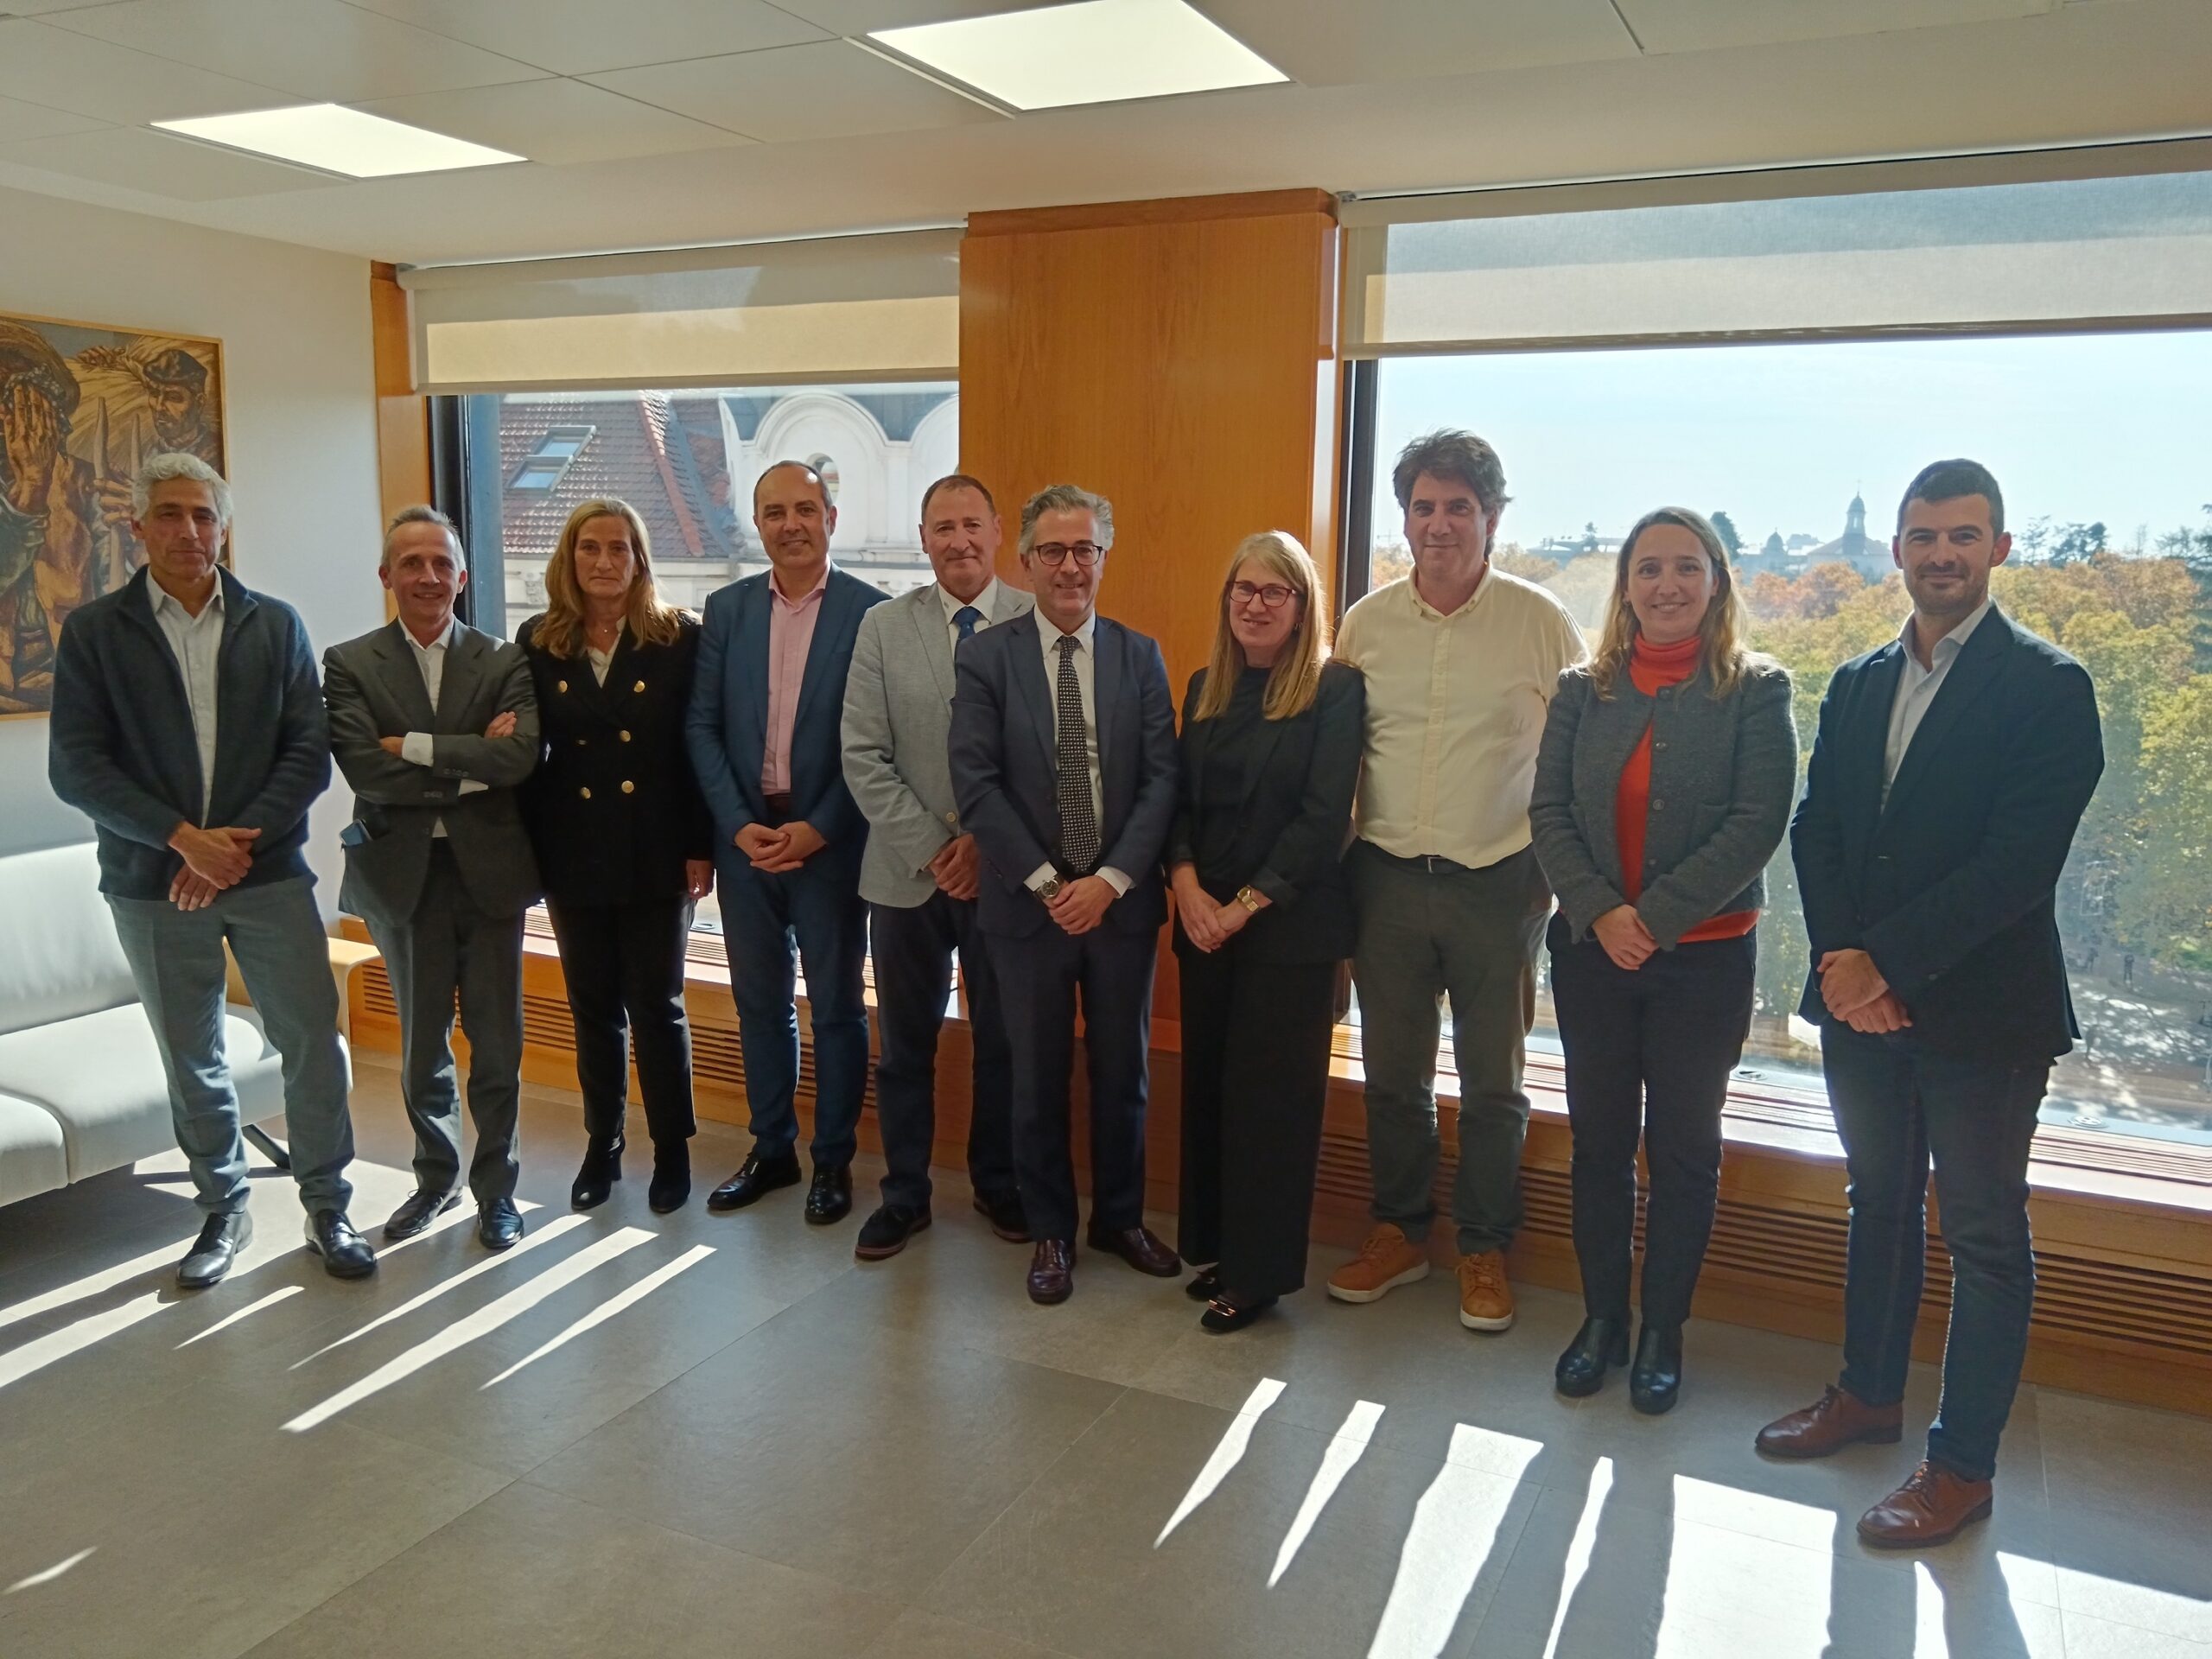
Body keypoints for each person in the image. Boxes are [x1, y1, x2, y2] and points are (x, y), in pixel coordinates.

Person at [1758, 459, 2103, 1549]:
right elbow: (1818, 828)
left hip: (1984, 1020)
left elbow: (2015, 868)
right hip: (1863, 1008)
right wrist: (1841, 962)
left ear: (1999, 549)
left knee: (1986, 1236)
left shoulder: (2050, 688)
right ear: (1897, 547)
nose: (1940, 555)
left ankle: (1961, 1467)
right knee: (1878, 1203)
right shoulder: (1858, 680)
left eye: (1963, 536)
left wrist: (1885, 969)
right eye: (1922, 536)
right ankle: (1866, 1395)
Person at [48, 453, 371, 1287]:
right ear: (138, 527)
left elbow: (309, 753)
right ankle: (223, 1210)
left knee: (311, 1040)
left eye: (203, 515)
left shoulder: (276, 624)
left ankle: (329, 1205)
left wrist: (231, 848)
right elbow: (78, 768)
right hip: (152, 887)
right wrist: (181, 840)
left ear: (224, 527)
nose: (189, 531)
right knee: (192, 1054)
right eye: (170, 514)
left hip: (267, 878)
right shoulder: (94, 632)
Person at [1529, 507, 1796, 1410]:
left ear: (1715, 580)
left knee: (1683, 1150)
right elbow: (1549, 816)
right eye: (1648, 569)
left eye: (1686, 567)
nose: (1667, 586)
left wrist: (1657, 918)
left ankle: (1660, 1330)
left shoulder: (1757, 690)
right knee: (1598, 1146)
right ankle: (1602, 1318)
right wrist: (1603, 914)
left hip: (1705, 966)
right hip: (1592, 957)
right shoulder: (1583, 689)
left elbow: (1756, 823)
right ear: (1625, 586)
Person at [1327, 429, 1586, 1332]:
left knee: (1493, 1083)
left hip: (1497, 883)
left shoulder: (1539, 621)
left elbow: (1578, 757)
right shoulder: (1365, 622)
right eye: (1423, 509)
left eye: (1458, 509)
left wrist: (1552, 878)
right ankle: (1398, 1233)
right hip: (1387, 881)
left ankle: (1482, 1247)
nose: (1439, 526)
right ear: (1404, 518)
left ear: (1493, 517)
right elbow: (1338, 755)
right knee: (1393, 1077)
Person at [949, 483, 1179, 1305]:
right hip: (1028, 909)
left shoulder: (1138, 654)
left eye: (1085, 550)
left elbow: (1160, 783)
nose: (1070, 566)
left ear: (1103, 558)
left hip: (1119, 909)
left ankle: (1119, 1219)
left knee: (1125, 1073)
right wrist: (1053, 886)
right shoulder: (985, 657)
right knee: (1034, 1074)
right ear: (1027, 560)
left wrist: (1109, 883)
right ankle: (1050, 1228)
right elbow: (976, 787)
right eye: (1053, 551)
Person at [325, 505, 542, 1252]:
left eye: (440, 563)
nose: (427, 576)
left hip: (490, 875)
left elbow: (518, 760)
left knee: (498, 1042)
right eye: (411, 564)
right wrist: (469, 764)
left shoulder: (503, 658)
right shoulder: (349, 662)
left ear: (463, 575)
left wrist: (415, 747)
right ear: (387, 576)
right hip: (401, 877)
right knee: (422, 1046)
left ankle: (498, 1191)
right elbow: (367, 771)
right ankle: (434, 1179)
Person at [1169, 531, 1364, 1332]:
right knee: (1212, 1091)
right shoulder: (1204, 686)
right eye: (1242, 590)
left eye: (1273, 592)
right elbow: (1175, 805)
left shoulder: (1334, 689)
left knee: (1272, 1107)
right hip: (1203, 926)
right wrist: (1185, 890)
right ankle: (1219, 1247)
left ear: (1302, 604)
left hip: (1288, 931)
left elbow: (1325, 820)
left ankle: (1260, 1276)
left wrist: (1243, 905)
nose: (1254, 604)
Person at [686, 461, 886, 1225]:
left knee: (836, 1007)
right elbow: (702, 726)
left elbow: (876, 740)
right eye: (775, 511)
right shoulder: (727, 609)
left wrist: (821, 826)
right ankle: (772, 1148)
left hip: (830, 840)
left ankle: (832, 1161)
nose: (791, 523)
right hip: (745, 838)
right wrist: (737, 826)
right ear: (756, 524)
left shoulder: (872, 615)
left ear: (831, 517)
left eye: (806, 508)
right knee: (758, 1004)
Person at [840, 474, 1034, 1260]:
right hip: (905, 878)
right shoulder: (884, 626)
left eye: (971, 525)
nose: (958, 541)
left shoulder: (1036, 618)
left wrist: (988, 842)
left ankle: (998, 1182)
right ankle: (905, 1193)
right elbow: (862, 754)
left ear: (997, 533)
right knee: (906, 1046)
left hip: (1008, 875)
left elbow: (1048, 757)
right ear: (923, 540)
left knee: (1004, 1041)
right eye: (941, 528)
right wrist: (932, 845)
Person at [517, 498, 713, 1216]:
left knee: (658, 1006)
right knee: (592, 1008)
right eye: (590, 548)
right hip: (573, 851)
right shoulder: (539, 640)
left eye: (618, 548)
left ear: (639, 559)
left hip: (657, 850)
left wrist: (700, 846)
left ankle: (673, 1149)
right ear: (569, 560)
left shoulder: (677, 638)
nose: (604, 562)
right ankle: (603, 1145)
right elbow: (528, 750)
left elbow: (695, 749)